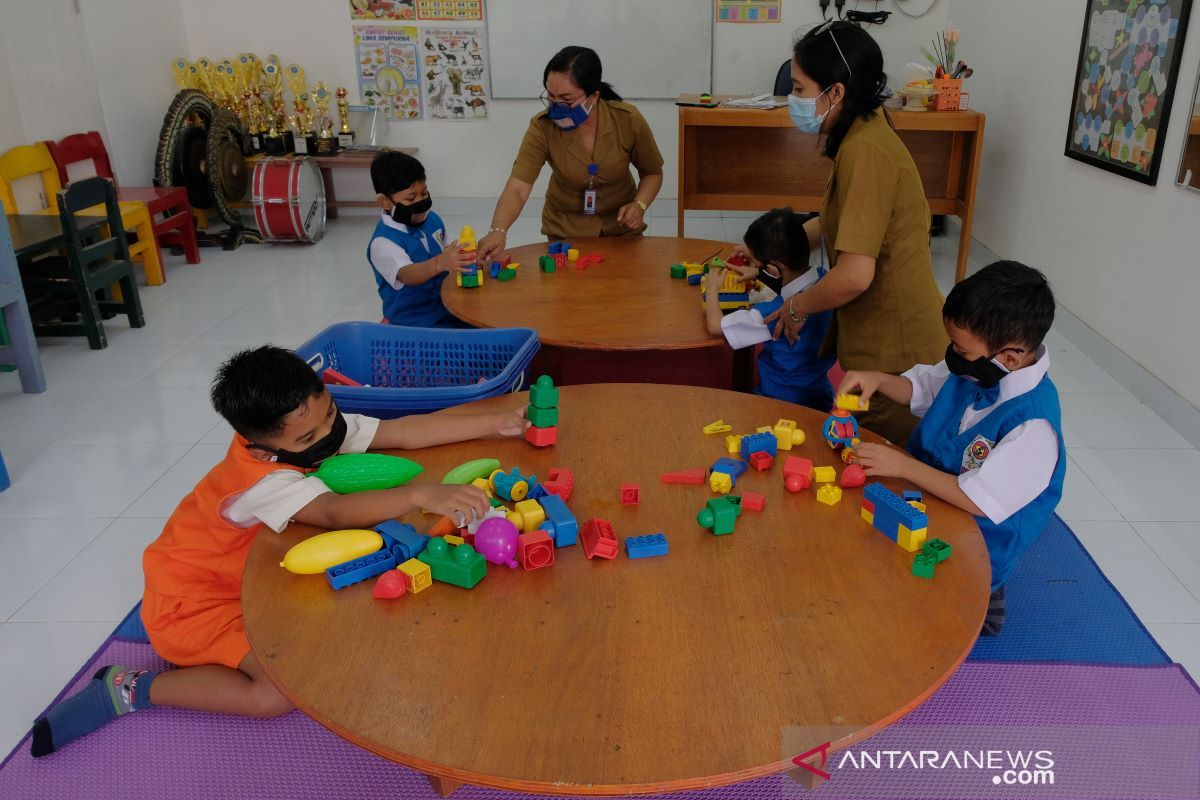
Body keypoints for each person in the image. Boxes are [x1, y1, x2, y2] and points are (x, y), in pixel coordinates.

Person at [30, 346, 528, 757]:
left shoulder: (308, 426)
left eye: (331, 412)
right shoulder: (260, 481)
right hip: (194, 603)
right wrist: (422, 494)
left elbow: (401, 432)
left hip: (244, 575)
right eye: (311, 436)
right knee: (274, 694)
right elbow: (332, 512)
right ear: (264, 448)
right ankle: (129, 688)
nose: (330, 434)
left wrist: (498, 422)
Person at [837, 262, 1064, 636]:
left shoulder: (1034, 427)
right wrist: (878, 380)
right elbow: (924, 389)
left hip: (976, 535)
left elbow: (980, 501)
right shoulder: (978, 365)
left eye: (962, 349)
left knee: (924, 615)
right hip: (926, 497)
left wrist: (903, 466)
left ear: (1009, 357)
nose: (954, 356)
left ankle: (985, 599)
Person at [758, 21, 948, 444]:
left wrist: (797, 306)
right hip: (876, 339)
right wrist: (769, 247)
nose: (794, 100)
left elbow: (854, 276)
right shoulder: (865, 129)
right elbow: (838, 219)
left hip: (895, 350)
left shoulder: (866, 151)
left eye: (801, 89)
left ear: (836, 92)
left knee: (881, 456)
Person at [477, 46, 664, 262]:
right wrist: (498, 231)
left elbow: (652, 172)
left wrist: (639, 205)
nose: (557, 107)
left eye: (566, 99)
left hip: (621, 229)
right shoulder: (542, 127)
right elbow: (519, 187)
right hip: (565, 231)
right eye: (550, 96)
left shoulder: (627, 119)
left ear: (593, 97)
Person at [704, 208, 834, 409]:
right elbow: (795, 284)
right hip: (819, 397)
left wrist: (712, 288)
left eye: (758, 264)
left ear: (773, 269)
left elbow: (715, 326)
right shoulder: (828, 284)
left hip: (778, 401)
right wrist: (758, 273)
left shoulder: (772, 314)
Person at [369, 151, 475, 327]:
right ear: (385, 202)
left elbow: (445, 252)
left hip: (446, 307)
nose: (421, 202)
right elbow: (407, 274)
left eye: (424, 194)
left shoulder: (433, 220)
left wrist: (462, 259)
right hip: (414, 321)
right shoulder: (383, 243)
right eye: (411, 198)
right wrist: (439, 263)